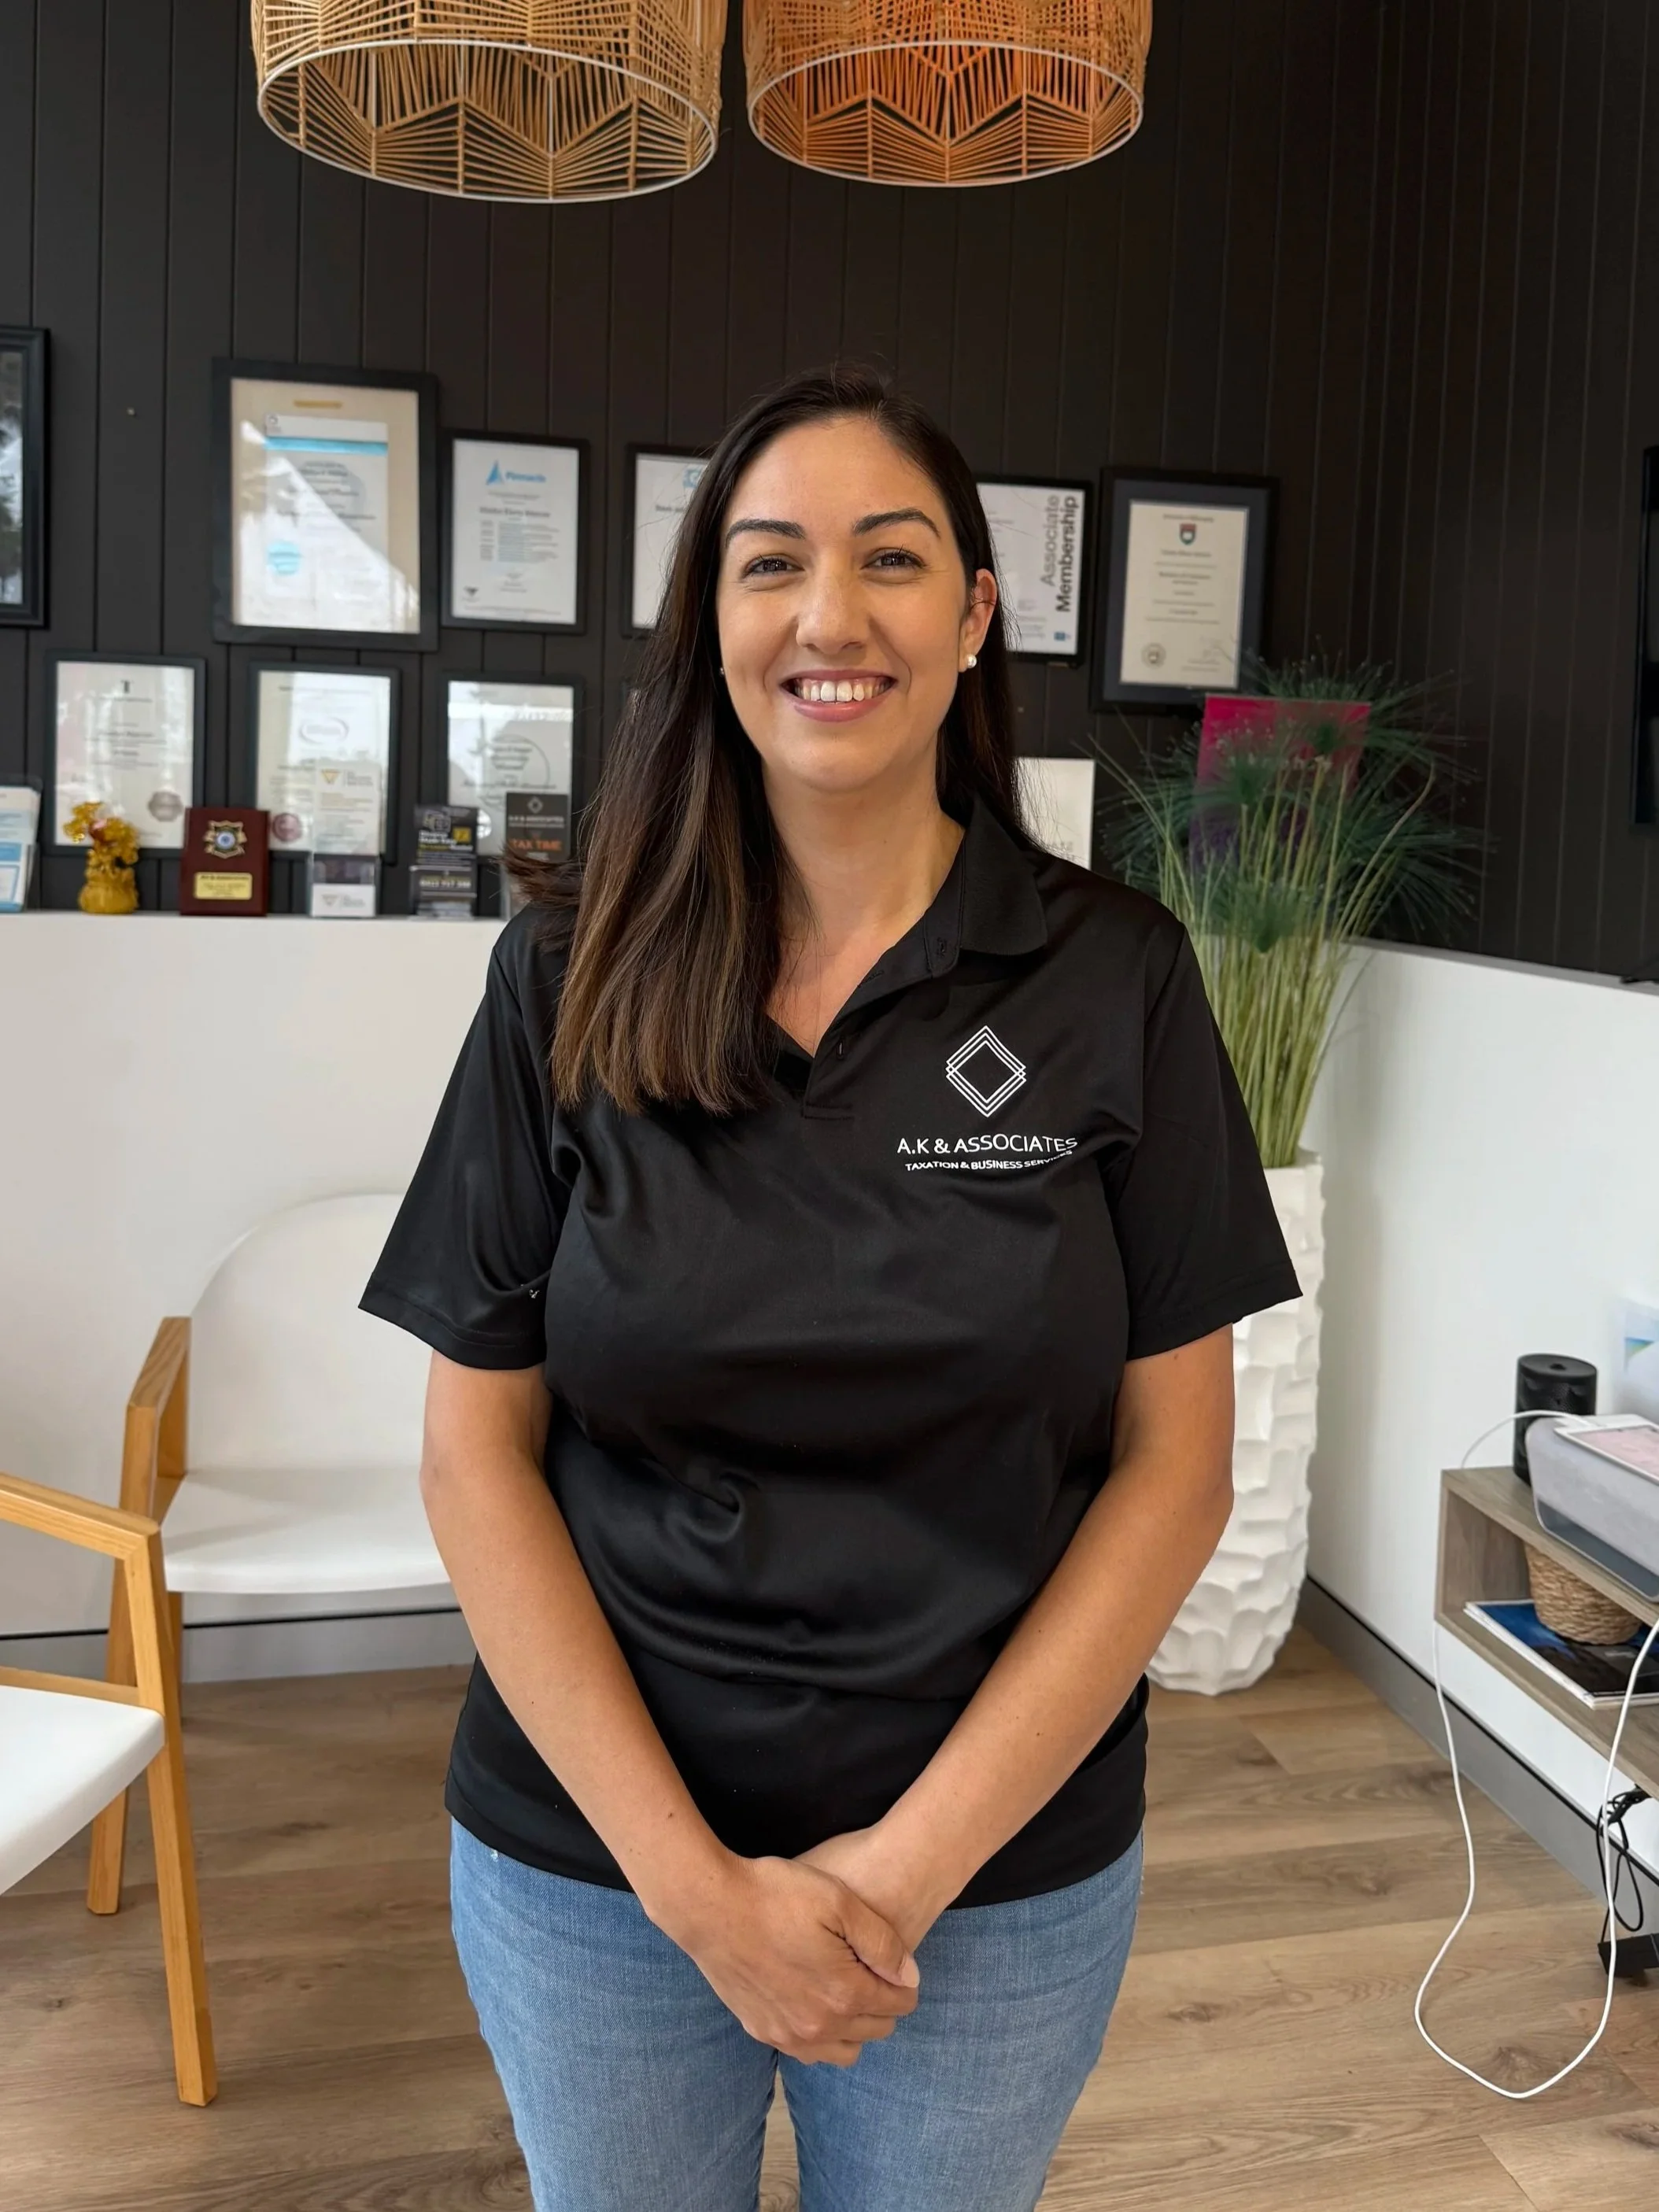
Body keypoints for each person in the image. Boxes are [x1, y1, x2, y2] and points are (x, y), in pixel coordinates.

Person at [362, 365, 1301, 2212]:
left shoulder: (1111, 979)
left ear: (970, 617)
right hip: (596, 1866)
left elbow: (1174, 1466)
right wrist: (698, 1892)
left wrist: (895, 1879)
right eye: (770, 563)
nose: (828, 617)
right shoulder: (566, 975)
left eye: (890, 561)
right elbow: (477, 1457)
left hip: (992, 1882)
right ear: (710, 621)